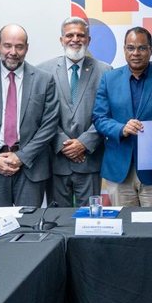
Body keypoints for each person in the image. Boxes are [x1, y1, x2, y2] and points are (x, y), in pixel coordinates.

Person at [0, 24, 59, 206]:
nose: (13, 52)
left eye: (19, 46)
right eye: (7, 45)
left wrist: (21, 157)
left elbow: (49, 125)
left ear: (27, 48)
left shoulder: (44, 79)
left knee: (28, 228)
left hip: (31, 167)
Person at [93, 27, 152, 207]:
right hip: (119, 169)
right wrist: (121, 128)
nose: (136, 53)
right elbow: (100, 118)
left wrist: (151, 130)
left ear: (151, 50)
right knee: (124, 228)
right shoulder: (109, 79)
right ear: (124, 50)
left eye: (142, 48)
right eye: (131, 48)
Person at [38, 17, 112, 207]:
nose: (75, 39)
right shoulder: (43, 71)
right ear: (61, 40)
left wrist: (84, 143)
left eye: (81, 35)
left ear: (88, 40)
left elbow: (108, 113)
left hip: (89, 160)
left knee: (89, 221)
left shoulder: (105, 71)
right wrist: (64, 144)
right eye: (69, 35)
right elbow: (39, 115)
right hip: (56, 161)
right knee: (57, 221)